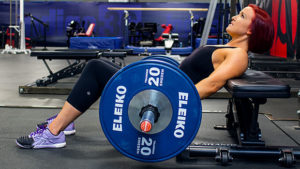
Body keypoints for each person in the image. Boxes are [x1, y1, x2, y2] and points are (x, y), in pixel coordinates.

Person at [16, 4, 274, 149]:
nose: (233, 16)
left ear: (252, 30)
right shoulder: (230, 48)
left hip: (160, 95)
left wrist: (165, 103)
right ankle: (65, 123)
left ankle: (55, 131)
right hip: (159, 87)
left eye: (242, 16)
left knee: (95, 68)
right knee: (100, 65)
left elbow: (209, 85)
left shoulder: (238, 55)